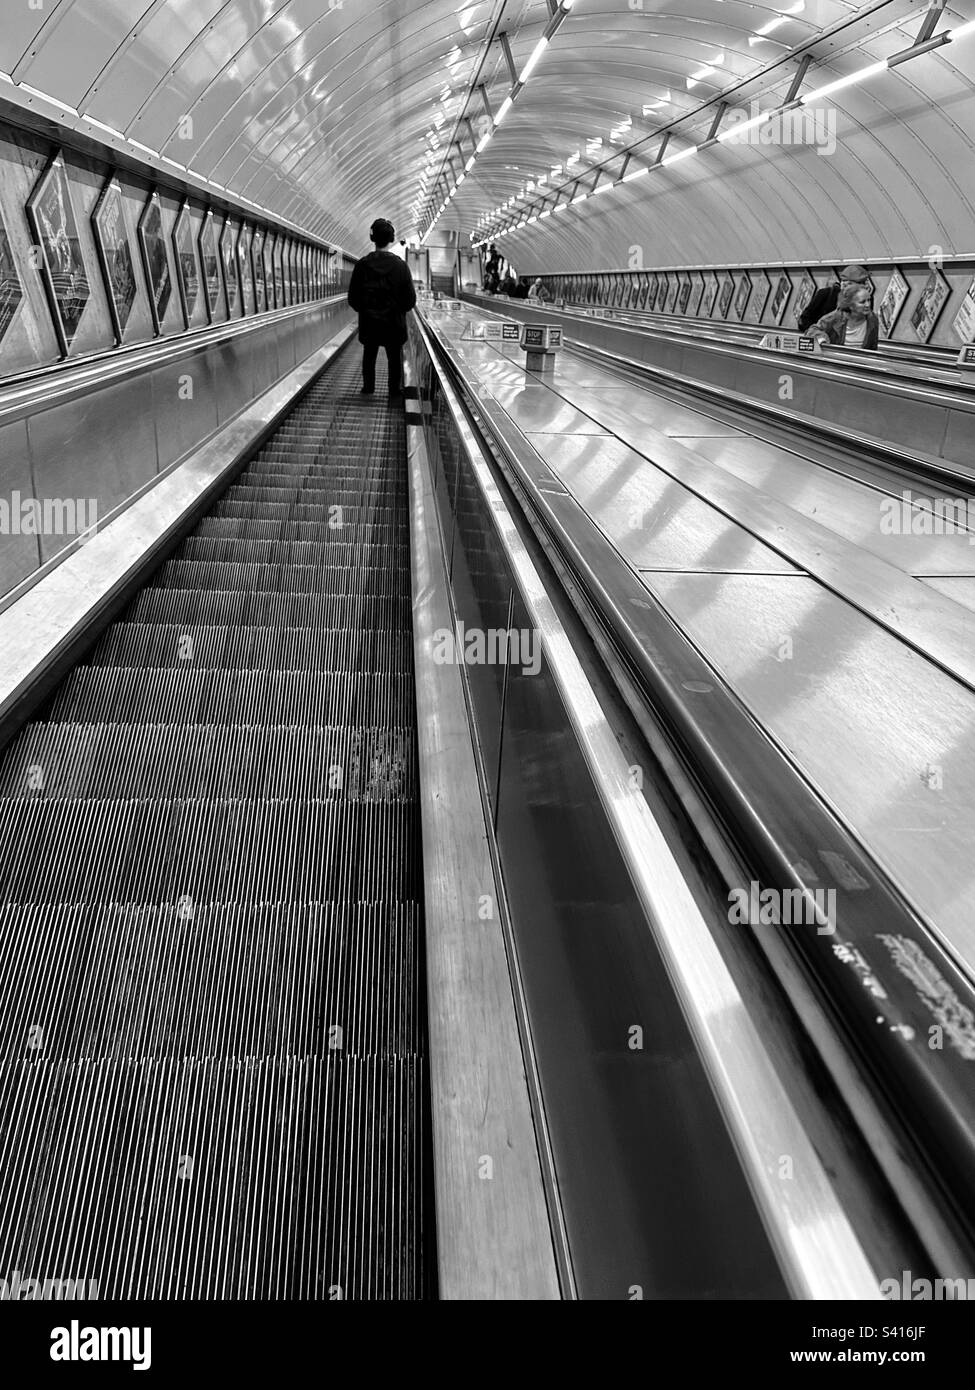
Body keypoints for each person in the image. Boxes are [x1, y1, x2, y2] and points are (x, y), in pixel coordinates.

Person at [347, 218, 416, 402]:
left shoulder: (362, 265)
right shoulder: (401, 266)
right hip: (394, 323)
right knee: (394, 357)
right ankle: (394, 391)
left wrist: (366, 310)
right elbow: (410, 300)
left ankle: (368, 388)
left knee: (369, 354)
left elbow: (353, 298)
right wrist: (397, 310)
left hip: (369, 323)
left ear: (372, 238)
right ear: (391, 238)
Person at [798, 263, 871, 332]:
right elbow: (804, 320)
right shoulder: (825, 294)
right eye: (843, 282)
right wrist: (819, 335)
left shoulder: (867, 300)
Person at [807, 283, 880, 349]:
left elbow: (873, 347)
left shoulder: (872, 319)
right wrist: (822, 339)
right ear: (850, 304)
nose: (868, 305)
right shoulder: (836, 317)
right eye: (862, 302)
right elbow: (813, 330)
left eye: (869, 300)